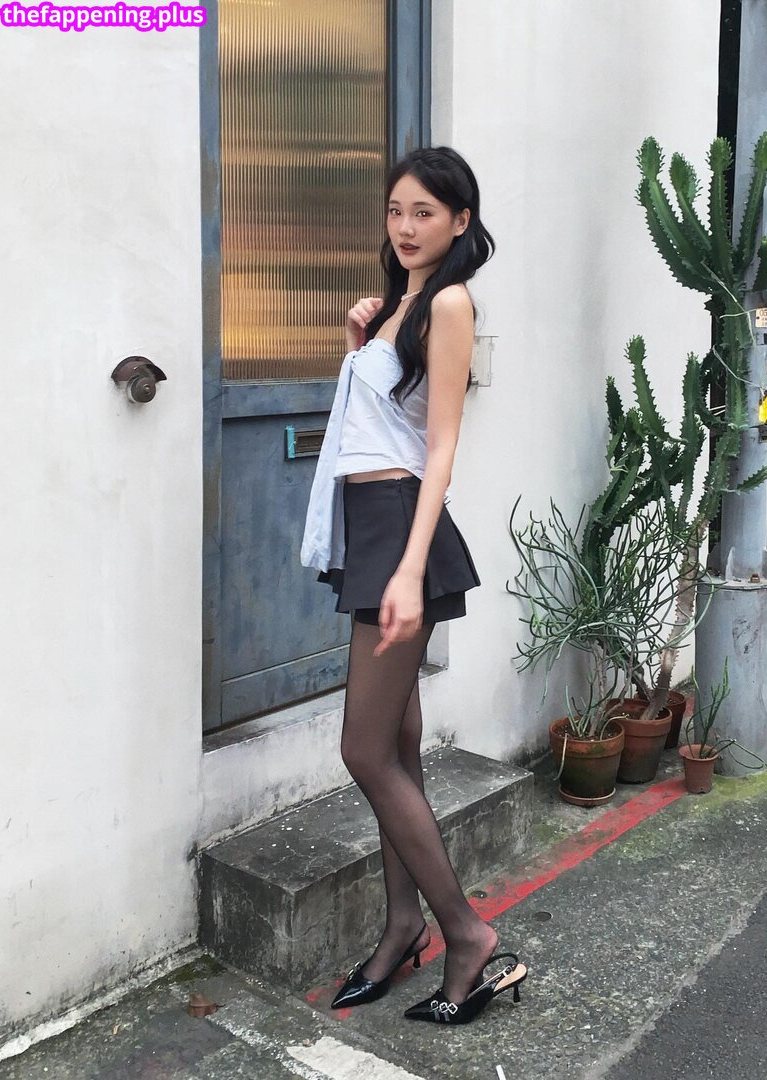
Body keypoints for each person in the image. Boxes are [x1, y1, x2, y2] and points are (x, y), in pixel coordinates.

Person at [300, 147, 527, 1025]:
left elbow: (439, 448)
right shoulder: (399, 306)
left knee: (363, 752)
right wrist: (360, 345)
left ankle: (466, 934)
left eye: (424, 212)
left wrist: (404, 568)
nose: (405, 226)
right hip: (372, 523)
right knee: (393, 743)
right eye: (396, 210)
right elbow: (377, 423)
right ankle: (403, 928)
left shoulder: (451, 302)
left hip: (401, 529)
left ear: (460, 221)